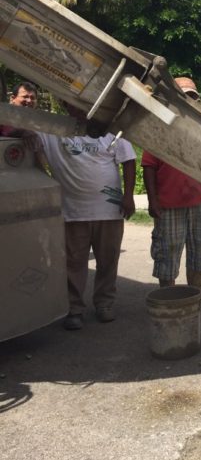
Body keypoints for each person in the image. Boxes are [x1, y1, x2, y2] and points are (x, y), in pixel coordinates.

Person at [37, 103, 136, 330]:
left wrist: (128, 196)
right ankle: (74, 309)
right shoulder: (53, 130)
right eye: (72, 104)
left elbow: (129, 161)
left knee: (107, 261)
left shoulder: (111, 130)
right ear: (65, 106)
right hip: (73, 212)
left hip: (109, 210)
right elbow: (21, 128)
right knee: (74, 263)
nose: (79, 109)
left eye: (83, 104)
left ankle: (105, 304)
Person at [141, 77, 201, 307]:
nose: (187, 100)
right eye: (182, 95)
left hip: (200, 200)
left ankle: (199, 294)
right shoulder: (159, 125)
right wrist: (152, 199)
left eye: (192, 96)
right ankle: (169, 297)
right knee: (168, 250)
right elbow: (148, 166)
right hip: (168, 203)